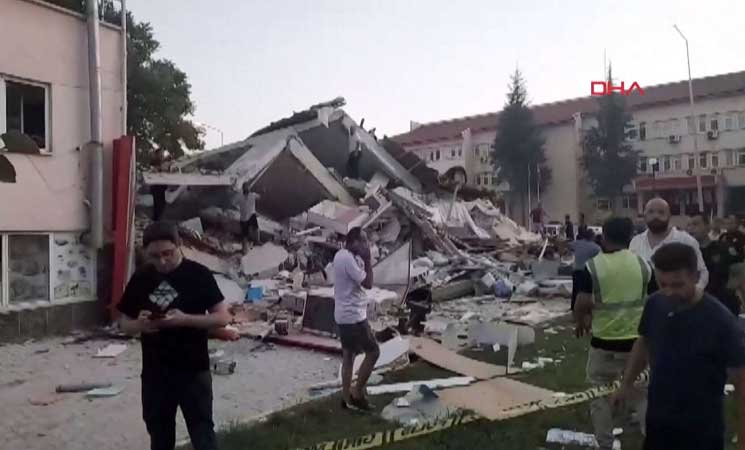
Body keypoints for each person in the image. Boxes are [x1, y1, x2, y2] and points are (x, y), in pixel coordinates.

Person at [613, 243, 745, 450]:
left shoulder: (721, 322)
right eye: (662, 284)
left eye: (677, 285)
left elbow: (742, 384)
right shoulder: (655, 304)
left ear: (696, 277)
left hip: (701, 431)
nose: (668, 292)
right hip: (658, 422)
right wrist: (626, 384)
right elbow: (644, 342)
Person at [117, 222, 230, 450]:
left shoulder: (199, 274)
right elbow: (123, 324)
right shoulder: (141, 278)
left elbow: (223, 318)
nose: (162, 261)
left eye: (168, 253)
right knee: (159, 437)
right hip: (155, 374)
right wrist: (139, 324)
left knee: (203, 435)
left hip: (193, 370)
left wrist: (184, 319)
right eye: (154, 256)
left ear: (179, 245)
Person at [574, 217, 653, 450]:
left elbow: (581, 302)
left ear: (604, 237)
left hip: (604, 343)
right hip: (636, 343)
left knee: (599, 394)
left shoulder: (593, 266)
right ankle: (653, 438)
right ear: (630, 237)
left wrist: (581, 320)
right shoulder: (643, 264)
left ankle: (605, 443)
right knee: (642, 394)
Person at [334, 227, 380, 411]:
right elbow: (368, 283)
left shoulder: (341, 256)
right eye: (363, 241)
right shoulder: (348, 259)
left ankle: (346, 398)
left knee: (349, 356)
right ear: (353, 242)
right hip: (354, 317)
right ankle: (357, 393)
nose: (366, 245)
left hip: (343, 315)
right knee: (374, 352)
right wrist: (367, 259)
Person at [630, 197, 708, 292]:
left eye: (661, 212)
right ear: (645, 215)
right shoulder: (636, 242)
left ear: (669, 215)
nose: (656, 216)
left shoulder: (686, 240)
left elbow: (701, 273)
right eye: (651, 212)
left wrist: (693, 293)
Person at [687, 214, 741, 315]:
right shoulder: (685, 253)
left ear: (708, 227)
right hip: (696, 303)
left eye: (695, 224)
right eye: (689, 225)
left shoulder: (722, 249)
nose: (691, 228)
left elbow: (738, 271)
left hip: (722, 303)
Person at [569, 229, 601, 311]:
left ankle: (573, 308)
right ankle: (584, 309)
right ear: (592, 237)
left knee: (575, 291)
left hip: (576, 270)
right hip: (586, 272)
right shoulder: (596, 247)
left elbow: (568, 246)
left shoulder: (577, 243)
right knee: (586, 292)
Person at [235, 182, 261, 253]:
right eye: (247, 187)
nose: (247, 188)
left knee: (250, 232)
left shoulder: (242, 196)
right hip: (247, 217)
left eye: (247, 187)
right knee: (248, 233)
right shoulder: (251, 195)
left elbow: (234, 203)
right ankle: (248, 247)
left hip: (247, 216)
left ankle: (253, 243)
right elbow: (260, 197)